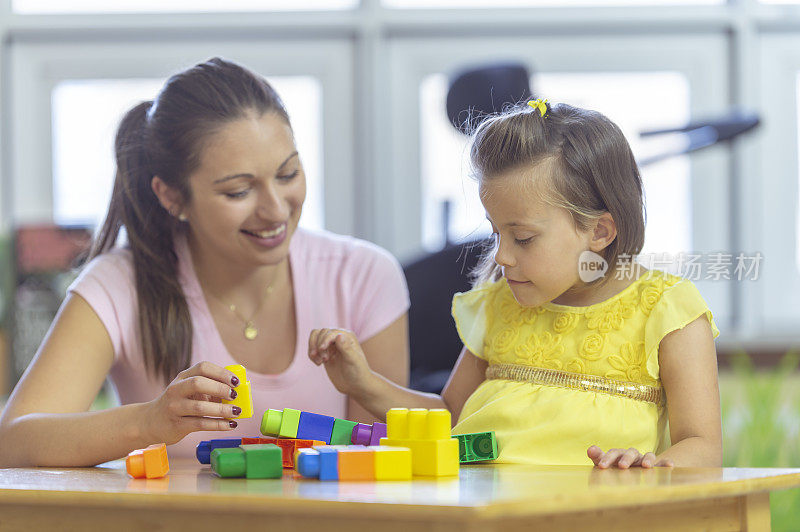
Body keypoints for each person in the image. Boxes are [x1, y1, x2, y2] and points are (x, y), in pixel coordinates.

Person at [0, 57, 409, 467]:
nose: (275, 210)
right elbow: (12, 444)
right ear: (172, 197)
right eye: (238, 191)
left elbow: (377, 465)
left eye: (287, 175)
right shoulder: (120, 284)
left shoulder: (364, 276)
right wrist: (150, 421)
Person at [308, 100, 722, 468]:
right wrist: (361, 383)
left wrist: (650, 466)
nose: (503, 256)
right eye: (495, 234)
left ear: (599, 232)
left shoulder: (667, 309)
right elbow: (450, 414)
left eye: (522, 238)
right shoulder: (497, 305)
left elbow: (702, 446)